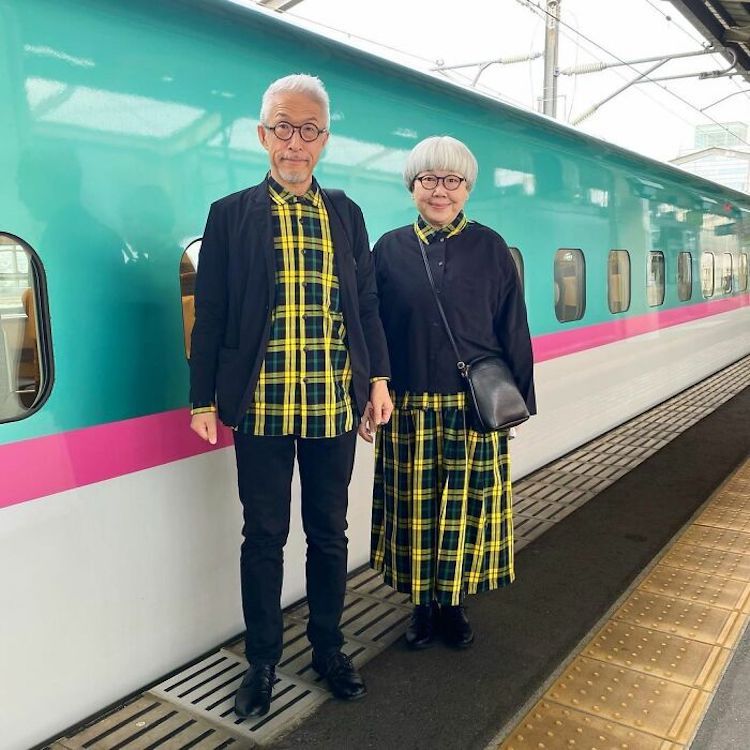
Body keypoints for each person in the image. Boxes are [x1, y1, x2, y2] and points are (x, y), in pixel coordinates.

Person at [189, 74, 392, 718]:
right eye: (284, 127)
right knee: (264, 536)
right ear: (263, 135)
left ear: (324, 141)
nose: (295, 142)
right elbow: (212, 311)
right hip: (264, 406)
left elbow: (363, 304)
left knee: (329, 534)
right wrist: (202, 400)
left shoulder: (346, 212)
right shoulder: (229, 215)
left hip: (334, 402)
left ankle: (328, 648)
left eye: (308, 130)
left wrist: (377, 380)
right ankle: (263, 661)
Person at [361, 135, 535, 651]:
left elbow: (513, 329)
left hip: (471, 409)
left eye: (452, 180)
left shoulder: (491, 247)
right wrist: (370, 391)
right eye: (429, 179)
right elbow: (373, 327)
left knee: (462, 515)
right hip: (408, 405)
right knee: (414, 514)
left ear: (467, 188)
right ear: (412, 186)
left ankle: (452, 606)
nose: (440, 191)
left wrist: (518, 403)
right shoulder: (389, 249)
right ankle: (421, 606)